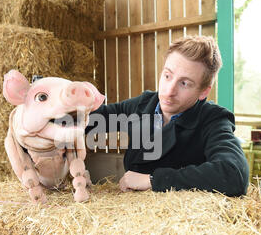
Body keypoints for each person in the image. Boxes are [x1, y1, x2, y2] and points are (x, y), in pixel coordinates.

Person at [86, 35, 249, 197]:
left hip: (182, 218)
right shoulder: (143, 105)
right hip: (130, 211)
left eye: (184, 83)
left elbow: (234, 174)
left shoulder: (213, 119)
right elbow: (94, 119)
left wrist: (153, 180)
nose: (169, 91)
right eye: (167, 76)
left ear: (204, 91)